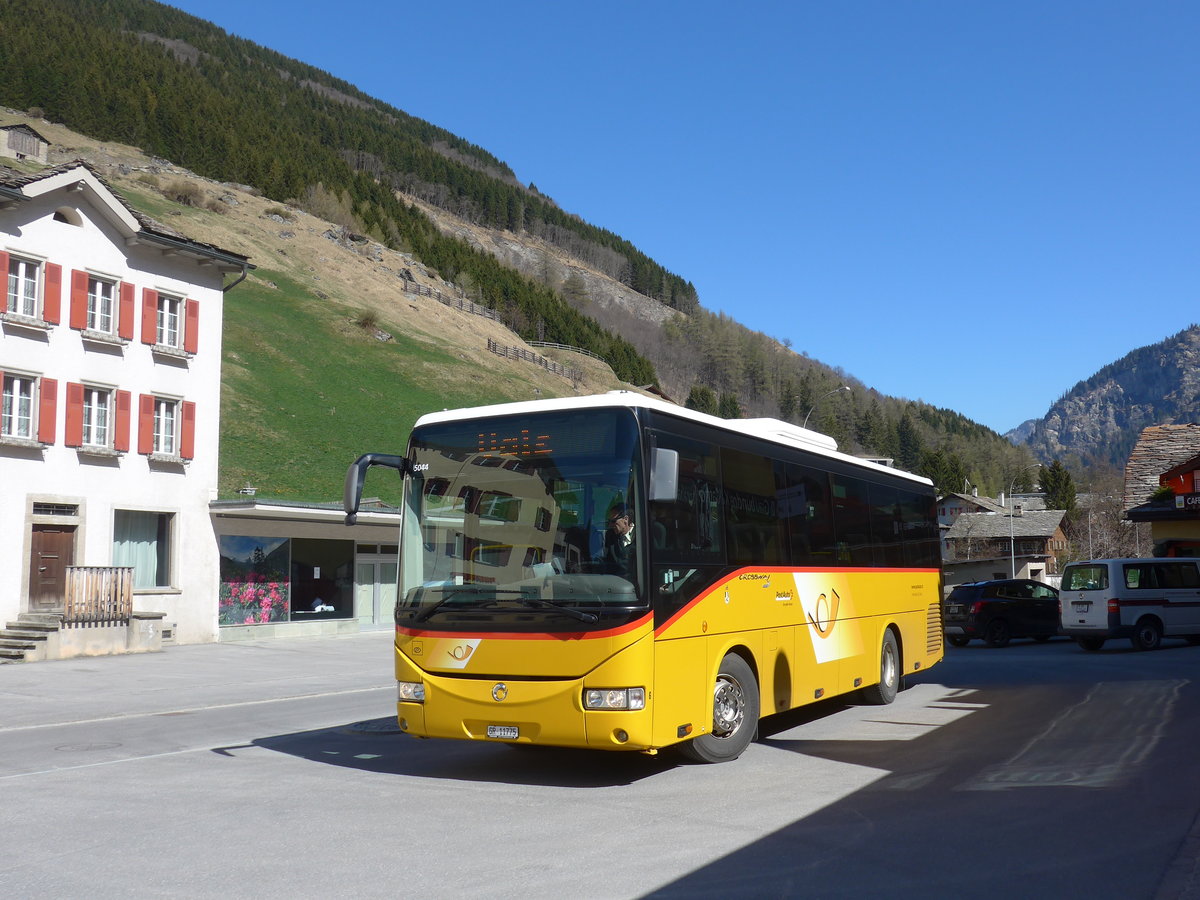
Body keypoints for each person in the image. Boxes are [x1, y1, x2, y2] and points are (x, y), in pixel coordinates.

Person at [601, 503, 636, 579]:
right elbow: (608, 563)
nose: (610, 525)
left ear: (626, 519)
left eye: (613, 521)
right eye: (609, 521)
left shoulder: (642, 535)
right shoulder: (610, 535)